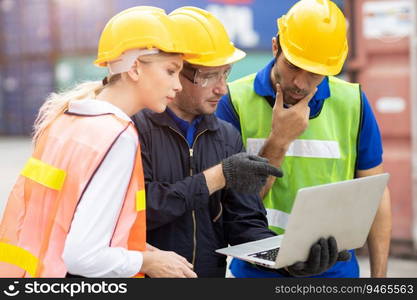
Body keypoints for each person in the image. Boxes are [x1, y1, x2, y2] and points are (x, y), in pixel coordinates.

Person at [132, 6, 349, 278]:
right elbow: (138, 213)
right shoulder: (133, 130)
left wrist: (290, 259)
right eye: (209, 75)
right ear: (174, 70)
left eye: (225, 74)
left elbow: (245, 222)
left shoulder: (225, 136)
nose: (222, 88)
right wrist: (216, 177)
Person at [0, 6, 199, 278]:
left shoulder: (65, 118)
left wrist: (143, 250)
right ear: (136, 68)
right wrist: (147, 263)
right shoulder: (117, 136)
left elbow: (62, 222)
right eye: (171, 71)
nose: (178, 85)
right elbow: (83, 257)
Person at [216, 0, 392, 278]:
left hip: (336, 272)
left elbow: (377, 194)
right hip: (258, 272)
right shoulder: (233, 101)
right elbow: (236, 205)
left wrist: (379, 279)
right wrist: (279, 140)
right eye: (293, 66)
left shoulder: (353, 102)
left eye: (314, 73)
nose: (300, 82)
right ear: (276, 47)